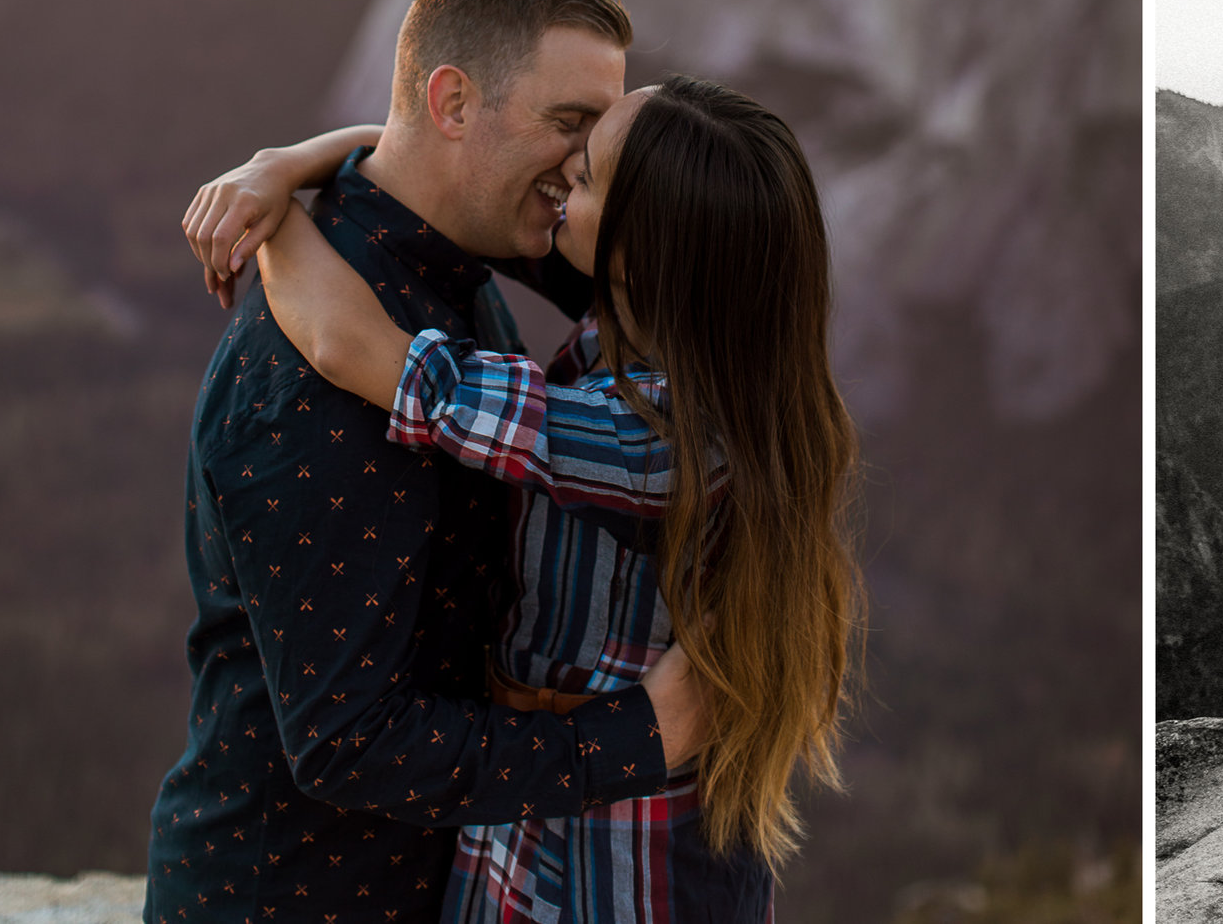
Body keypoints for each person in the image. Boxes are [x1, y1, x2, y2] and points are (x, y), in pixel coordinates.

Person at [201, 69, 860, 923]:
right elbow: (434, 183)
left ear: (637, 250)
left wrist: (273, 215)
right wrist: (286, 160)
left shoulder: (650, 439)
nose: (557, 184)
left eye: (582, 178)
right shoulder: (686, 330)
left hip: (622, 860)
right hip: (537, 815)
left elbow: (347, 344)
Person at [146, 0, 709, 923]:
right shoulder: (312, 385)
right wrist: (631, 740)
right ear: (453, 103)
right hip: (289, 899)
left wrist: (288, 161)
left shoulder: (472, 252)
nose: (581, 170)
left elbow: (672, 269)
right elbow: (347, 743)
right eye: (570, 124)